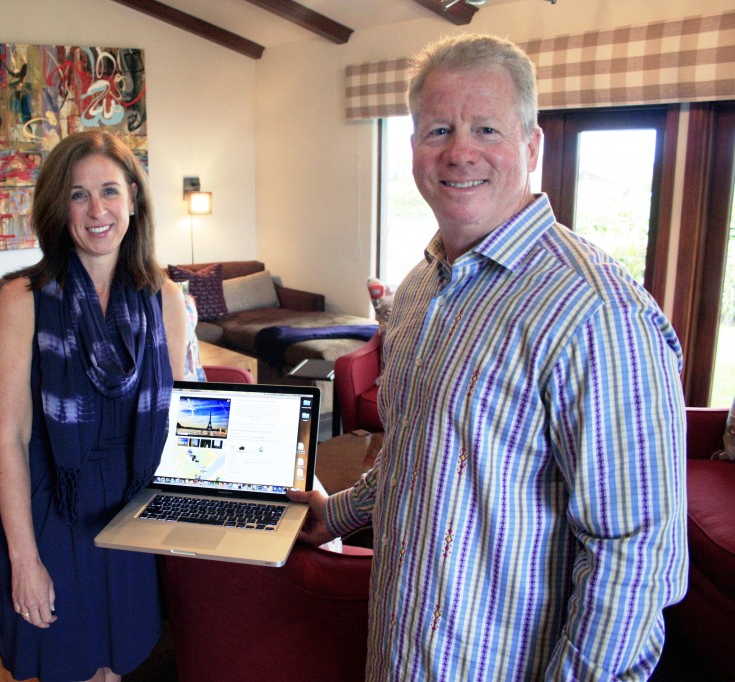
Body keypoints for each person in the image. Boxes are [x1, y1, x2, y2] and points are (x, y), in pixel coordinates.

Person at [289, 33, 687, 680]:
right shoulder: (420, 287)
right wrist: (334, 513)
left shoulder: (596, 311)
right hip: (399, 646)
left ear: (532, 147)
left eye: (487, 129)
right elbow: (417, 453)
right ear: (414, 147)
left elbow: (636, 557)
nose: (459, 152)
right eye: (437, 129)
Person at [0, 130, 187, 682]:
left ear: (134, 200)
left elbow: (187, 420)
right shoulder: (23, 299)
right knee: (64, 663)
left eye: (110, 191)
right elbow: (9, 440)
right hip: (54, 507)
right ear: (58, 206)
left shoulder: (165, 296)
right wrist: (25, 559)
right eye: (78, 195)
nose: (97, 210)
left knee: (115, 663)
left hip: (134, 508)